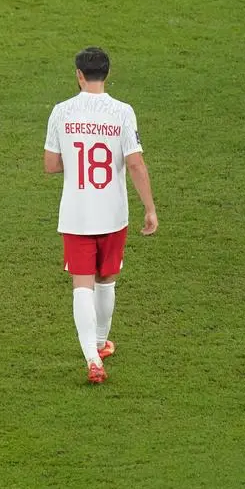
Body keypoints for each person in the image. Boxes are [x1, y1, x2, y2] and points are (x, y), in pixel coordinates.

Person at [43, 47, 157, 384]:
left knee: (82, 285)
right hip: (113, 212)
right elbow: (135, 163)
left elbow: (50, 165)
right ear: (107, 73)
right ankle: (99, 344)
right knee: (106, 279)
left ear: (79, 74)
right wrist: (150, 208)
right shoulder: (122, 112)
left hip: (77, 212)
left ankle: (92, 359)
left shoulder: (62, 111)